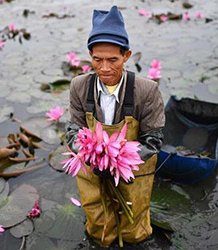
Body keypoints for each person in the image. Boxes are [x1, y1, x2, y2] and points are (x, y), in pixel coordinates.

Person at [66, 5, 165, 247]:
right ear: (90, 56)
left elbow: (154, 139)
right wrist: (95, 160)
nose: (105, 68)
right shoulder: (79, 86)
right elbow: (73, 132)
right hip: (93, 165)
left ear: (127, 56)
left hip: (131, 168)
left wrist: (115, 160)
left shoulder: (146, 90)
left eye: (113, 59)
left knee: (134, 226)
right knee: (99, 224)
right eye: (97, 60)